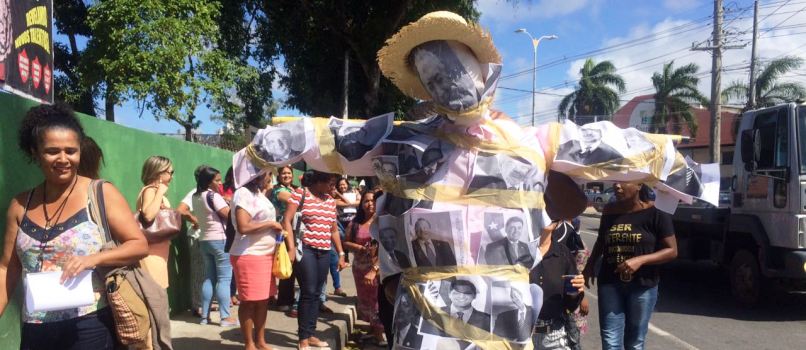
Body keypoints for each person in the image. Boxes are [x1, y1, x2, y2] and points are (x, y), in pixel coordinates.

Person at [1, 103, 148, 349]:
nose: (63, 159)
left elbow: (139, 244)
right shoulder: (20, 205)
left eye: (71, 151)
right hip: (35, 327)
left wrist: (93, 259)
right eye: (52, 151)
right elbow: (7, 268)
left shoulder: (100, 193)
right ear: (34, 152)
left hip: (89, 324)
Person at [583, 182, 678, 350]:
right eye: (616, 182)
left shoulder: (657, 212)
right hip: (610, 282)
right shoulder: (609, 210)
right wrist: (590, 264)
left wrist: (640, 260)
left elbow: (671, 250)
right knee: (610, 340)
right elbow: (601, 240)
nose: (617, 186)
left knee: (635, 341)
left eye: (624, 182)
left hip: (643, 285)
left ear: (639, 185)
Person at [282, 170, 348, 350]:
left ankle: (311, 334)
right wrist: (291, 247)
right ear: (319, 181)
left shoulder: (330, 201)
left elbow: (333, 229)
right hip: (306, 250)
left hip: (325, 252)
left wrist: (341, 254)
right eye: (331, 183)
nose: (333, 187)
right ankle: (303, 338)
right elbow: (286, 220)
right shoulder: (301, 194)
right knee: (308, 291)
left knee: (317, 293)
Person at [230, 169, 290, 350]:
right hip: (249, 254)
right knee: (249, 301)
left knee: (263, 300)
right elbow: (243, 226)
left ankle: (261, 341)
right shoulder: (242, 193)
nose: (270, 179)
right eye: (268, 175)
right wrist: (271, 224)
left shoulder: (258, 194)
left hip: (265, 255)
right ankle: (249, 343)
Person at [191, 166, 239, 327]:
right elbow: (228, 215)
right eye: (217, 180)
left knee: (209, 278)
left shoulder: (196, 197)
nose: (220, 183)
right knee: (224, 279)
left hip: (205, 240)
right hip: (220, 240)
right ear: (209, 181)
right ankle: (225, 317)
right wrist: (231, 205)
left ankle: (205, 317)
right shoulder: (214, 196)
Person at [530, 221, 585, 350]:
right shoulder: (517, 251)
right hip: (520, 335)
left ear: (559, 221)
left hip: (554, 336)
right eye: (544, 211)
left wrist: (575, 292)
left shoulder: (563, 253)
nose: (548, 217)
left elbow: (570, 305)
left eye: (553, 214)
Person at [343, 191, 386, 346]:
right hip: (359, 269)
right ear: (361, 204)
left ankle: (380, 333)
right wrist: (358, 247)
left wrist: (375, 268)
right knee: (365, 300)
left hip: (378, 269)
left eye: (373, 201)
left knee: (376, 301)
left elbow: (387, 247)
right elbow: (345, 242)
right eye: (366, 201)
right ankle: (373, 329)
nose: (370, 204)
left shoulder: (383, 222)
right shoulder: (355, 223)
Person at [136, 155, 178, 290]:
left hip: (158, 251)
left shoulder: (155, 192)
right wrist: (160, 191)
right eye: (170, 172)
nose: (172, 176)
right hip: (151, 253)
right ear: (158, 172)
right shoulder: (150, 190)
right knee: (155, 294)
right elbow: (148, 215)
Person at [270, 166, 298, 311]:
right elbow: (294, 201)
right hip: (282, 231)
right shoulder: (278, 190)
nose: (286, 175)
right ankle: (283, 301)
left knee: (292, 265)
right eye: (283, 173)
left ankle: (288, 298)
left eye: (289, 173)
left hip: (294, 230)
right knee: (286, 263)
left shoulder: (293, 189)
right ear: (279, 176)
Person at [421, 279, 491, 335]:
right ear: (449, 295)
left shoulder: (487, 320)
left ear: (474, 296)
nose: (461, 296)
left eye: (467, 293)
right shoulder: (434, 314)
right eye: (456, 293)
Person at [331, 176, 359, 296]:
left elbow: (358, 202)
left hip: (352, 225)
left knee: (357, 253)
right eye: (340, 185)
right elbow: (348, 203)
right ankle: (337, 286)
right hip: (339, 226)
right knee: (335, 256)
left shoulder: (354, 193)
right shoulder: (334, 198)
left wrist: (355, 200)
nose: (343, 186)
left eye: (344, 184)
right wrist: (339, 195)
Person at [557, 126, 623, 165]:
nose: (587, 135)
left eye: (591, 133)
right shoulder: (571, 144)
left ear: (600, 136)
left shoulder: (609, 152)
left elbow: (620, 165)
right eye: (585, 133)